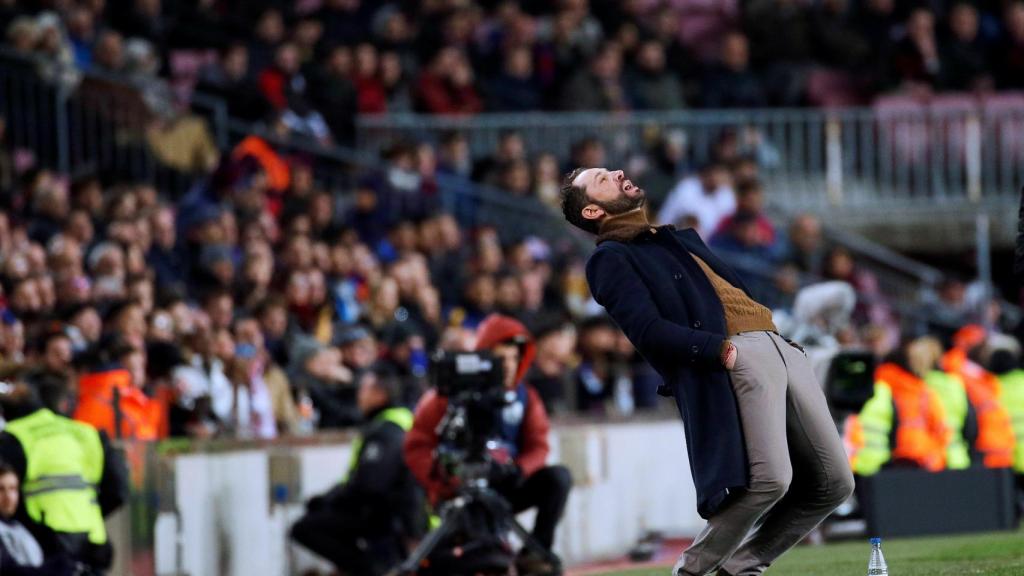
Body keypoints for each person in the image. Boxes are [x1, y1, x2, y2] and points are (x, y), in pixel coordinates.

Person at [560, 167, 854, 576]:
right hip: (736, 353)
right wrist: (720, 351)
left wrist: (780, 341)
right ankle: (692, 570)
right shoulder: (610, 259)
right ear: (593, 211)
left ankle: (740, 566)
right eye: (602, 179)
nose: (617, 172)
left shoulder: (673, 238)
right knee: (769, 480)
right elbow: (646, 331)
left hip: (778, 344)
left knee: (835, 483)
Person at [404, 313, 572, 576]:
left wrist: (520, 469)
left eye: (514, 358)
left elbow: (538, 446)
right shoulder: (446, 397)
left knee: (558, 478)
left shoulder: (525, 397)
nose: (508, 366)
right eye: (501, 359)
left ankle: (534, 555)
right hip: (458, 487)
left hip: (506, 481)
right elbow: (417, 446)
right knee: (488, 562)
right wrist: (443, 478)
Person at [290, 368, 424, 576]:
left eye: (364, 389)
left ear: (380, 394)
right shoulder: (395, 422)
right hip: (392, 514)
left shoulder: (388, 430)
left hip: (385, 515)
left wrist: (330, 501)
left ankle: (372, 571)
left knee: (305, 528)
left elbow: (371, 484)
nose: (358, 395)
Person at [0, 374, 128, 573]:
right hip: (92, 538)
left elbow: (7, 496)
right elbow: (119, 490)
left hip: (46, 541)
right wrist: (87, 513)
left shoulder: (15, 435)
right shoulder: (87, 432)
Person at [0, 462, 77, 575]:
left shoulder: (22, 527)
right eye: (1, 489)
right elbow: (8, 570)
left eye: (13, 489)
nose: (8, 497)